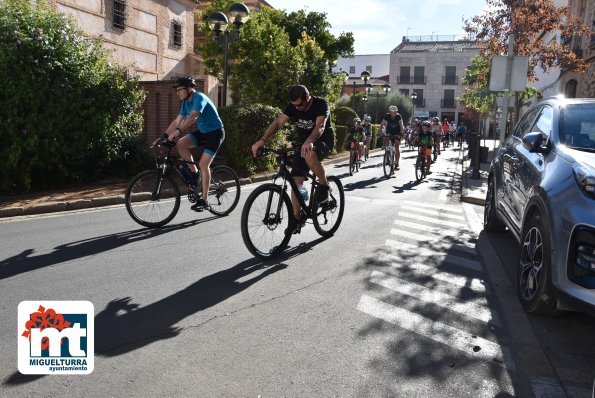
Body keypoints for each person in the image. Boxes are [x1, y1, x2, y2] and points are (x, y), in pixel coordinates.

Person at [251, 85, 335, 233]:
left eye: (300, 105)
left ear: (307, 99)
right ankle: (296, 219)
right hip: (304, 144)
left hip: (323, 141)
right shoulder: (293, 106)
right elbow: (277, 123)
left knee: (308, 153)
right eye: (294, 105)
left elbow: (320, 126)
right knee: (296, 180)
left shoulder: (321, 104)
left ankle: (324, 185)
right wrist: (262, 140)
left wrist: (309, 141)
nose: (296, 108)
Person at [153, 76, 225, 212]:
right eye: (177, 90)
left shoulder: (199, 97)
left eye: (180, 89)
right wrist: (163, 136)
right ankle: (195, 175)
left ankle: (204, 201)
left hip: (216, 133)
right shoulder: (185, 103)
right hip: (204, 132)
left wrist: (178, 131)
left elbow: (193, 116)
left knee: (204, 164)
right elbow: (177, 121)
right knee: (180, 144)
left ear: (189, 88)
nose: (177, 92)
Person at [380, 105, 405, 170]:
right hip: (389, 131)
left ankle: (397, 163)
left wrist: (402, 132)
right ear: (390, 112)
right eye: (392, 112)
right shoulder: (387, 116)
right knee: (386, 138)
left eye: (394, 112)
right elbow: (382, 124)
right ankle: (387, 153)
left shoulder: (398, 116)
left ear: (396, 112)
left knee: (397, 147)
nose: (393, 114)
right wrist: (379, 131)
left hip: (397, 132)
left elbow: (401, 125)